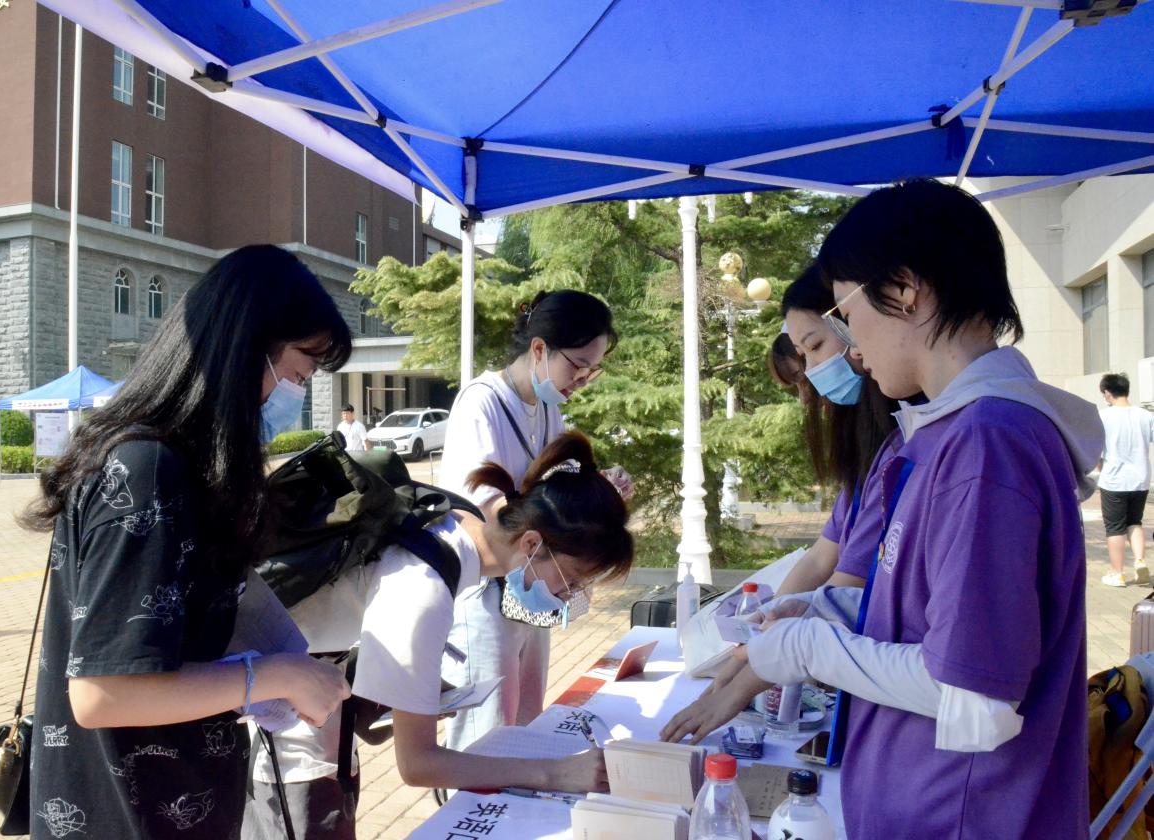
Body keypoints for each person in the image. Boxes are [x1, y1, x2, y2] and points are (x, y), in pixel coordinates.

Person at [662, 180, 1102, 838]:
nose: (852, 346)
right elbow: (928, 618)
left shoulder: (987, 443)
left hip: (959, 815)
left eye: (846, 313)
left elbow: (973, 698)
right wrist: (824, 610)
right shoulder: (942, 435)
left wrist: (808, 646)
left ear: (904, 290)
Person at [20, 245, 354, 840]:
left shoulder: (180, 468)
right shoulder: (146, 469)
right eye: (299, 374)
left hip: (177, 804)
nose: (297, 394)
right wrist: (274, 676)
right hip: (125, 818)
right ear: (243, 349)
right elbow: (102, 693)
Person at [245, 432, 633, 839]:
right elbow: (418, 765)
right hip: (288, 740)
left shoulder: (460, 520)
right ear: (532, 542)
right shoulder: (424, 589)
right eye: (571, 581)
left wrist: (420, 689)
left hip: (311, 705)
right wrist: (557, 773)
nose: (569, 597)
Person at [436, 290, 632, 753]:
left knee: (525, 721)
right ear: (540, 349)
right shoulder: (482, 402)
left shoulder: (547, 408)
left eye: (592, 370)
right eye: (578, 365)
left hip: (531, 582)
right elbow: (488, 510)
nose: (582, 380)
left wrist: (597, 487)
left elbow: (550, 487)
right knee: (485, 735)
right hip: (487, 589)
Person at [765, 266, 901, 600]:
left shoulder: (902, 447)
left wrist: (777, 623)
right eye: (804, 357)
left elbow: (848, 581)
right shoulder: (867, 448)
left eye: (814, 347)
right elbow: (821, 557)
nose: (812, 378)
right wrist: (764, 618)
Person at [1097, 372, 1154, 587]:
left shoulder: (1103, 416)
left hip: (1114, 480)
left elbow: (1095, 449)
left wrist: (1099, 466)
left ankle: (1117, 573)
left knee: (1114, 528)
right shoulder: (1145, 416)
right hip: (1140, 479)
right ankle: (1140, 561)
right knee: (1135, 522)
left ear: (1107, 393)